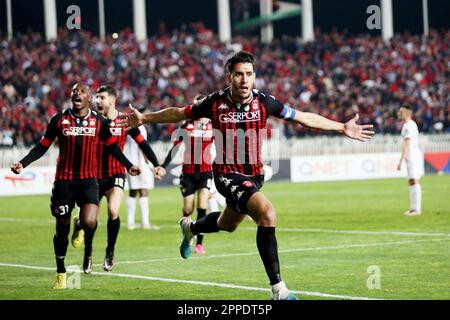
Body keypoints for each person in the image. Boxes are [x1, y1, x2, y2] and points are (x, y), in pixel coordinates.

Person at [117, 51, 375, 300]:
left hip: (254, 175)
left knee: (227, 225)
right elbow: (178, 112)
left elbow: (302, 117)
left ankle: (192, 227)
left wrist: (341, 126)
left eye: (249, 74)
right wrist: (145, 118)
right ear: (229, 76)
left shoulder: (265, 102)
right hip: (227, 174)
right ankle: (279, 290)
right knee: (267, 214)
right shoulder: (214, 103)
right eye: (239, 74)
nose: (244, 80)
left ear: (255, 76)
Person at [10, 83, 140, 289]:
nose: (76, 94)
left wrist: (129, 164)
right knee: (61, 231)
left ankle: (79, 225)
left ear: (89, 98)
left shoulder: (99, 122)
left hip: (89, 180)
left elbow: (113, 146)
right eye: (74, 92)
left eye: (81, 92)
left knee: (89, 222)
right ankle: (61, 271)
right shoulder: (59, 120)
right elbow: (42, 146)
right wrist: (23, 163)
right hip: (64, 182)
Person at [94, 85, 166, 272]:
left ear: (112, 100)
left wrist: (156, 164)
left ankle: (110, 251)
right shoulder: (92, 121)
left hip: (117, 171)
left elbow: (143, 144)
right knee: (89, 220)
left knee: (112, 211)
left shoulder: (124, 121)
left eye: (101, 97)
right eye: (96, 97)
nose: (97, 101)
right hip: (93, 173)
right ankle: (88, 249)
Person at [161, 95, 214, 254]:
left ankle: (199, 244)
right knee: (188, 209)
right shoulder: (186, 125)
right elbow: (175, 148)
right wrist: (163, 166)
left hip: (205, 172)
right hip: (188, 173)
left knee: (202, 206)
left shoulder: (213, 125)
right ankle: (187, 236)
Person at [124, 106, 162, 231]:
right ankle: (145, 223)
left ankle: (130, 222)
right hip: (139, 163)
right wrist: (151, 165)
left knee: (133, 191)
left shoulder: (131, 125)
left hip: (131, 161)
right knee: (143, 191)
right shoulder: (140, 127)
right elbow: (143, 147)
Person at [397, 104, 424, 216]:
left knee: (413, 180)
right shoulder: (408, 125)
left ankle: (416, 209)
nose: (399, 113)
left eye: (401, 111)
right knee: (411, 181)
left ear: (407, 112)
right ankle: (413, 208)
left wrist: (401, 160)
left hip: (412, 156)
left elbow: (407, 143)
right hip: (411, 156)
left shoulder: (409, 125)